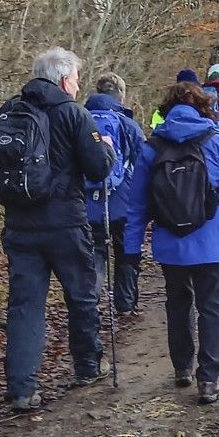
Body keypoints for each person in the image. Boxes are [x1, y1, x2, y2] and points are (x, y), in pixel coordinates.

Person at [0, 47, 115, 412]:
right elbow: (98, 170)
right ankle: (87, 367)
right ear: (63, 79)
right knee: (82, 296)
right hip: (65, 224)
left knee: (25, 306)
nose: (77, 84)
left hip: (20, 224)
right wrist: (107, 148)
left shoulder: (9, 111)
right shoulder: (74, 114)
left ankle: (22, 388)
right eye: (75, 78)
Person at [124, 81, 219, 405]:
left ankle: (182, 366)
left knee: (177, 303)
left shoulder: (151, 147)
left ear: (166, 110)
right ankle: (209, 380)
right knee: (211, 307)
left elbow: (137, 204)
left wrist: (130, 249)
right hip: (211, 240)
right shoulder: (218, 143)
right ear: (204, 107)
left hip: (171, 243)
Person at [83, 72, 146, 317]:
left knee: (95, 252)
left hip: (88, 203)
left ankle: (91, 299)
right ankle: (125, 303)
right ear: (121, 95)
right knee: (127, 251)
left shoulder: (80, 121)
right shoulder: (129, 125)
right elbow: (143, 164)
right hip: (124, 202)